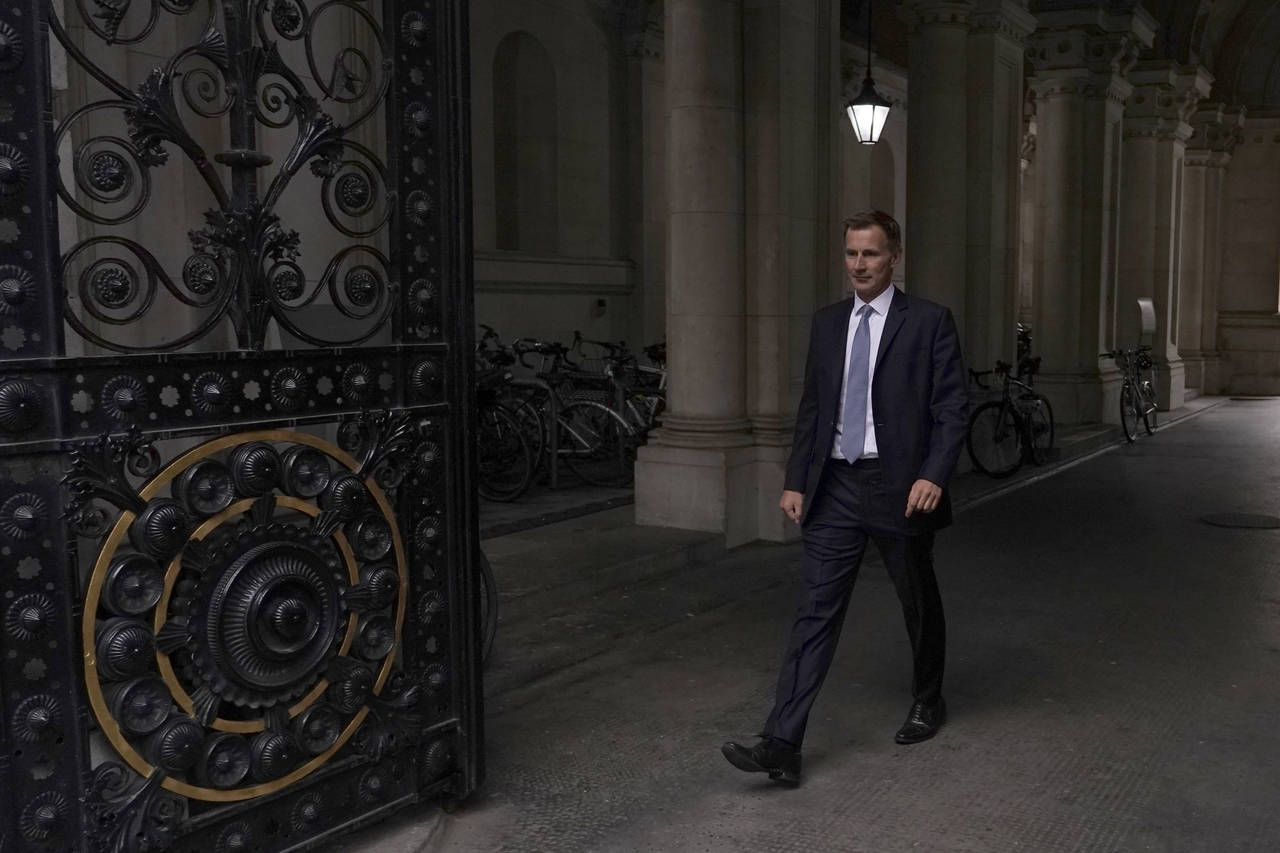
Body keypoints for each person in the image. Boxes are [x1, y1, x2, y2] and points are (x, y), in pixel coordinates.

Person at [721, 210, 968, 786]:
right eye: (852, 254)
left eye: (871, 254)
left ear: (894, 257)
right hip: (834, 486)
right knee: (814, 612)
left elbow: (952, 407)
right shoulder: (828, 323)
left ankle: (928, 699)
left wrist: (934, 473)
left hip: (900, 487)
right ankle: (782, 742)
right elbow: (814, 407)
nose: (859, 264)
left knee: (917, 600)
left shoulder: (928, 321)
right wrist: (796, 478)